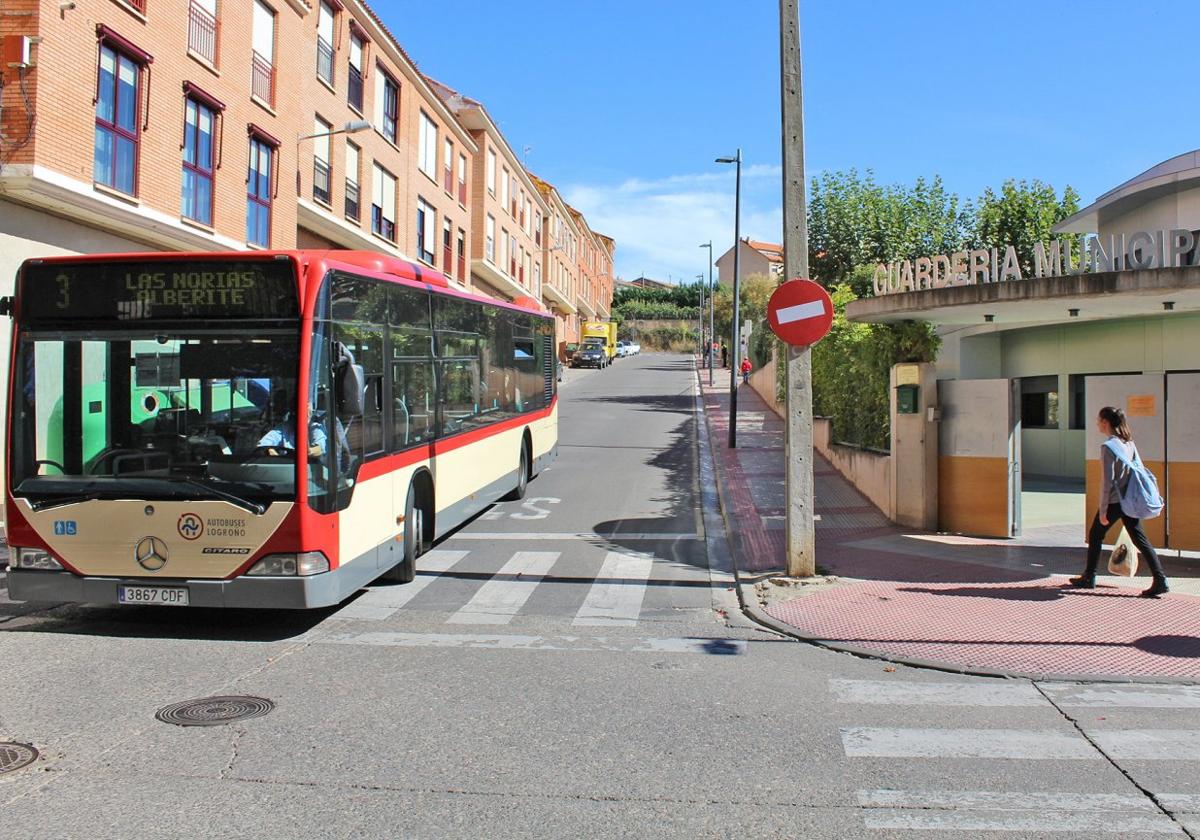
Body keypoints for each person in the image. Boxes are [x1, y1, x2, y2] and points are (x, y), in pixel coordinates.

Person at [1070, 406, 1169, 598]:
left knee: (1095, 534)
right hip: (1130, 500)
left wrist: (1103, 509)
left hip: (1115, 501)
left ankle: (1089, 577)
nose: (1097, 423)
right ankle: (1160, 579)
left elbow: (1107, 481)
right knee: (1140, 539)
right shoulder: (1129, 443)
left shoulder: (1108, 447)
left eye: (1099, 420)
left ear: (1106, 422)